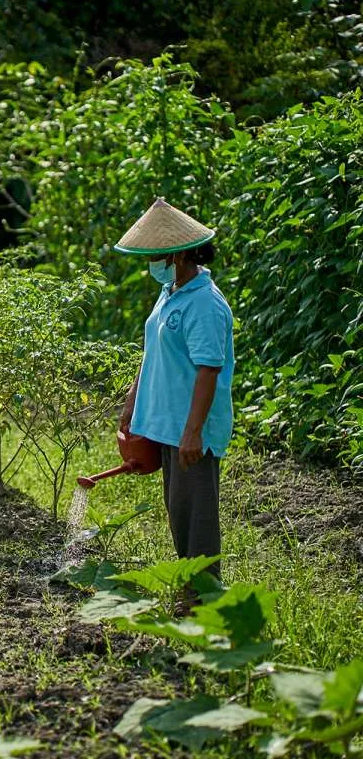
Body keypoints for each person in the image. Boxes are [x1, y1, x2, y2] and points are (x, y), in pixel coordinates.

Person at [115, 198, 234, 582]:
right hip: (167, 424)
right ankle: (191, 590)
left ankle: (203, 599)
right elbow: (153, 353)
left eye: (157, 258)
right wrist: (133, 403)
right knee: (179, 512)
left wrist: (193, 431)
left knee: (197, 518)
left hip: (190, 430)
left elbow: (208, 369)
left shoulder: (204, 303)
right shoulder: (170, 293)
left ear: (179, 256)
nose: (151, 265)